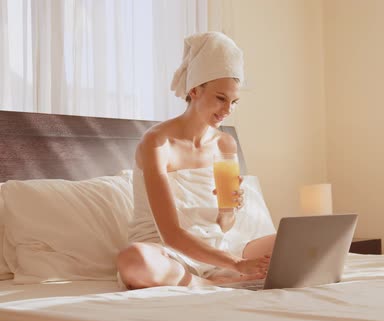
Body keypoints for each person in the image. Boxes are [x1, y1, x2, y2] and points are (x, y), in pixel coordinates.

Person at [116, 32, 275, 290]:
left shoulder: (225, 143)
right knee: (132, 260)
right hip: (167, 250)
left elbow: (225, 226)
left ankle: (215, 275)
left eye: (234, 101)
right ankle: (204, 282)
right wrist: (236, 263)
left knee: (295, 244)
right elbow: (171, 234)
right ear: (195, 90)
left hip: (217, 246)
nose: (228, 110)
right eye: (221, 98)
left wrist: (228, 210)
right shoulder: (157, 143)